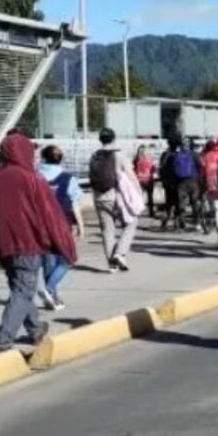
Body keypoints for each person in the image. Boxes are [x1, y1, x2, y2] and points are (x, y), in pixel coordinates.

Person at [0, 132, 76, 356]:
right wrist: (63, 242)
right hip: (27, 244)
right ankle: (3, 340)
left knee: (20, 288)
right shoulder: (32, 179)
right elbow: (50, 214)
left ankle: (36, 329)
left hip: (2, 245)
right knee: (22, 290)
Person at [37, 145, 84, 310]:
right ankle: (48, 288)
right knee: (67, 258)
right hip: (61, 222)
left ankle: (52, 297)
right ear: (61, 158)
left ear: (43, 157)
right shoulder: (67, 178)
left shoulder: (35, 176)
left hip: (40, 223)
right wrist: (80, 225)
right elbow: (75, 203)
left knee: (49, 260)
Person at [89, 128, 142, 271]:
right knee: (131, 222)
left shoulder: (94, 156)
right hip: (116, 196)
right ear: (114, 139)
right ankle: (120, 253)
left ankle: (111, 265)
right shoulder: (120, 155)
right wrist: (138, 192)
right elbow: (131, 176)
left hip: (98, 196)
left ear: (100, 139)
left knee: (107, 230)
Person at [134, 145, 157, 217]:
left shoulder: (136, 159)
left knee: (139, 197)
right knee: (150, 197)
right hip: (149, 180)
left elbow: (134, 170)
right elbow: (154, 169)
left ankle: (137, 211)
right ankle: (151, 212)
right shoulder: (150, 159)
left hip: (139, 180)